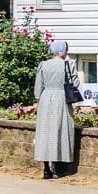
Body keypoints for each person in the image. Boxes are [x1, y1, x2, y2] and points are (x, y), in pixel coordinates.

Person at [34, 41, 80, 179]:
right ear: (63, 50)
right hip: (61, 98)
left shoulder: (43, 64)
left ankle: (46, 168)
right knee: (60, 130)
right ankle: (58, 167)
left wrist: (38, 100)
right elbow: (75, 83)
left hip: (46, 98)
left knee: (45, 131)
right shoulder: (68, 64)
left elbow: (38, 87)